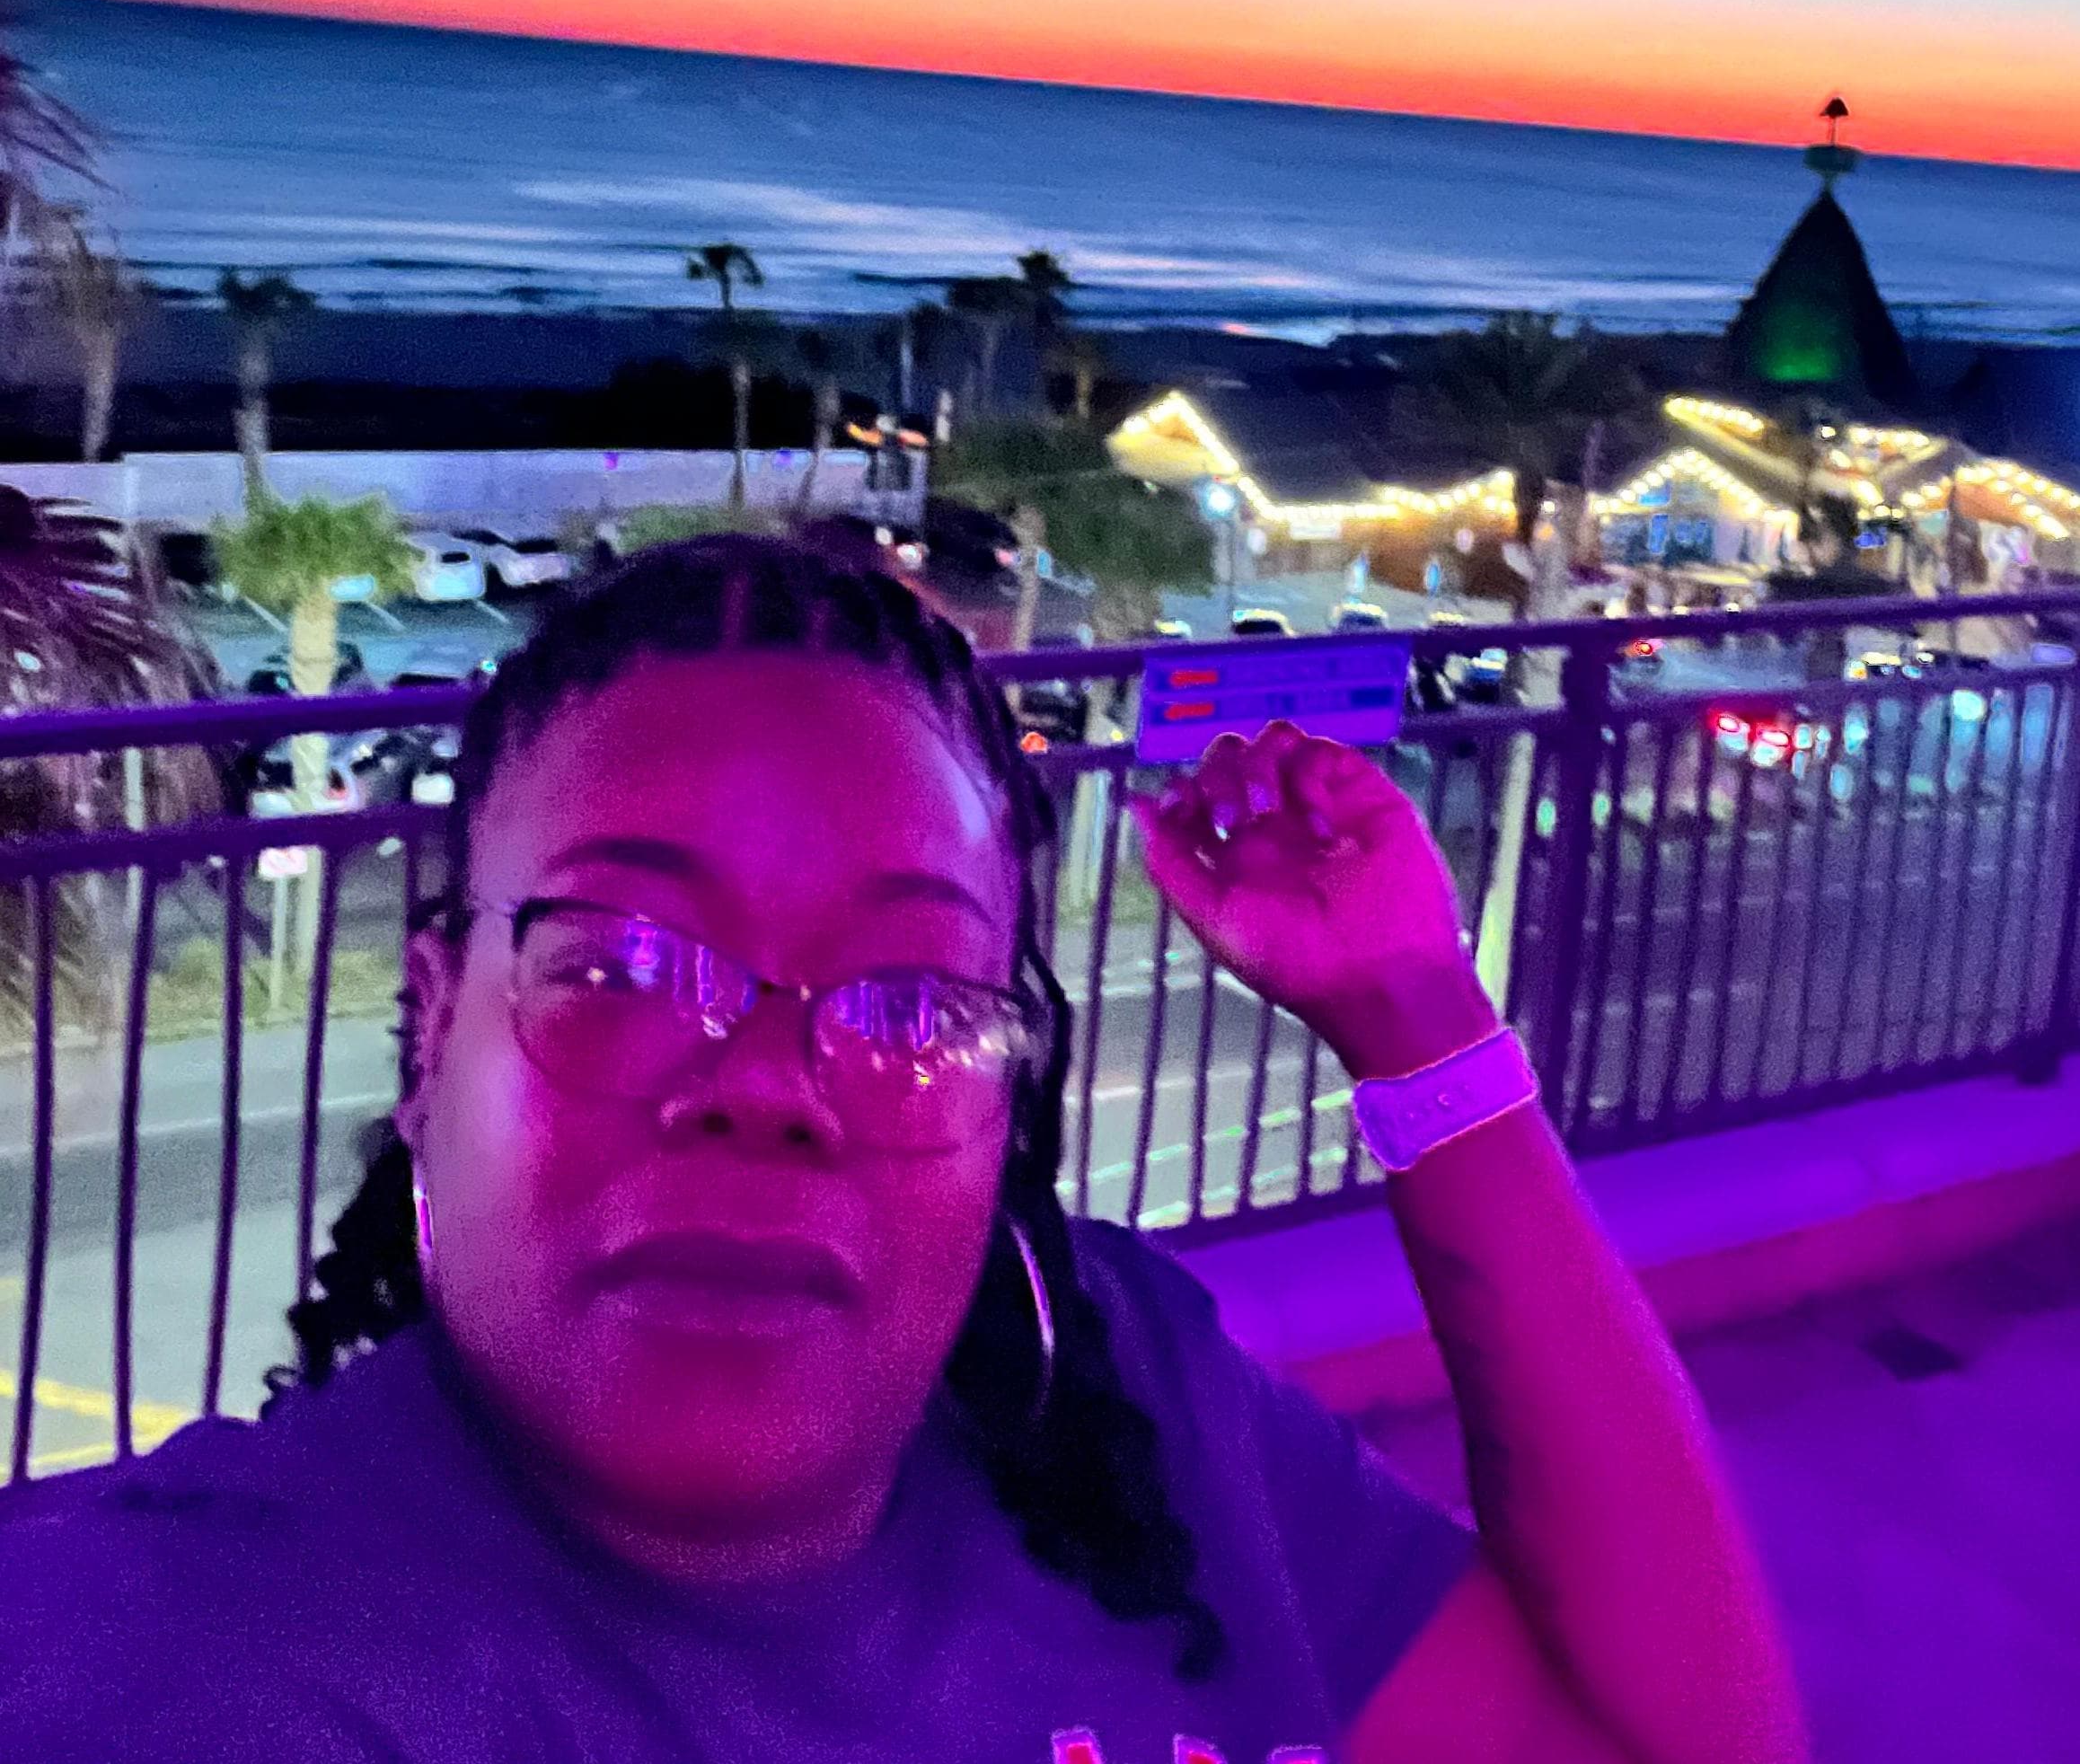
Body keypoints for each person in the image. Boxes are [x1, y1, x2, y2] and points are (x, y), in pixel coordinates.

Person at [0, 535, 1804, 1761]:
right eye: (619, 962)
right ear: (429, 1031)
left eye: (909, 996)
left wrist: (1421, 1019)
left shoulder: (1133, 1399)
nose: (768, 1087)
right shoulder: (199, 1654)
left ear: (1005, 1098)